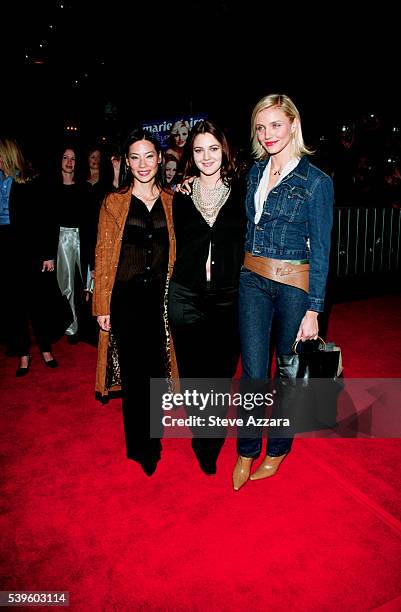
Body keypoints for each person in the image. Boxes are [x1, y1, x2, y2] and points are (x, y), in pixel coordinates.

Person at [232, 94, 334, 491]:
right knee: (254, 373)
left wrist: (315, 309)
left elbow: (322, 249)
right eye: (261, 126)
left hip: (294, 285)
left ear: (293, 124)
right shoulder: (256, 172)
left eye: (275, 124)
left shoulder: (316, 182)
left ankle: (276, 450)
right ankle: (245, 450)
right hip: (251, 281)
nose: (268, 134)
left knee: (287, 376)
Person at [93, 128, 177, 476]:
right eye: (135, 157)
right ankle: (139, 446)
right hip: (125, 299)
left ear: (159, 159)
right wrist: (102, 305)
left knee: (157, 371)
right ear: (127, 162)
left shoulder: (173, 201)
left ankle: (153, 436)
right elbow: (102, 253)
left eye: (149, 156)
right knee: (133, 373)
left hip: (160, 299)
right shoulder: (114, 202)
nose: (143, 164)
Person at [168, 120, 246, 474]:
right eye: (198, 150)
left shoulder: (242, 191)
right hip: (186, 296)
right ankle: (206, 441)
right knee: (196, 375)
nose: (206, 156)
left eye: (213, 148)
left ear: (224, 150)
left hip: (229, 299)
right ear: (191, 154)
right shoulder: (181, 196)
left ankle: (208, 432)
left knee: (221, 373)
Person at [0, 137, 62, 374]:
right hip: (3, 245)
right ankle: (23, 353)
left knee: (38, 301)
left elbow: (45, 220)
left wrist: (48, 254)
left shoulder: (29, 179)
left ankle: (45, 348)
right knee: (12, 303)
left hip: (27, 246)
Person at [50, 144, 91, 344]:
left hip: (81, 240)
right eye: (65, 157)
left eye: (73, 158)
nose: (69, 162)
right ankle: (68, 327)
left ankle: (83, 327)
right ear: (59, 160)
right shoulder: (50, 188)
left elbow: (89, 219)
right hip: (61, 241)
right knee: (65, 286)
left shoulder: (84, 187)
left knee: (85, 285)